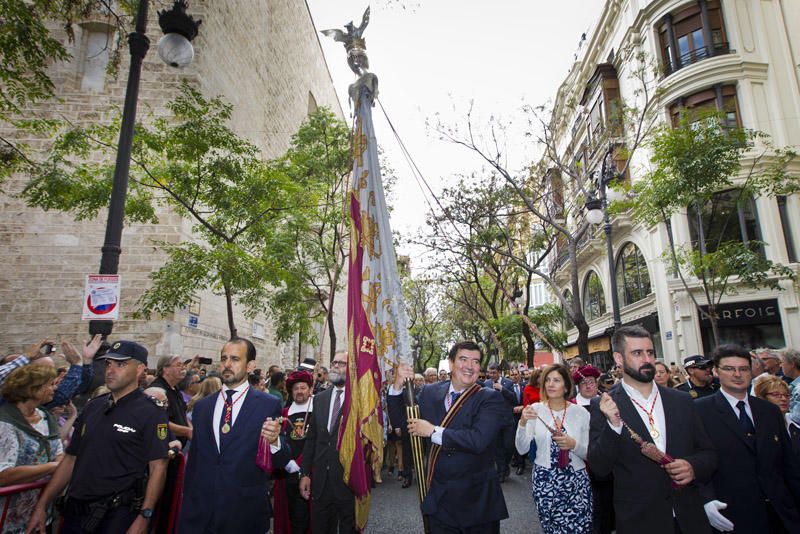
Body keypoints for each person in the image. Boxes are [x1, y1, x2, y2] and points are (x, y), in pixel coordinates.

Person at [27, 340, 169, 534]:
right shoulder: (94, 406)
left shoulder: (151, 412)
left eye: (120, 364)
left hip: (115, 517)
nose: (110, 370)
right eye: (108, 363)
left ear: (140, 369)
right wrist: (42, 505)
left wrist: (144, 518)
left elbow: (158, 467)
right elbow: (71, 459)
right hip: (75, 513)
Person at [588, 326, 716, 534]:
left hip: (689, 519)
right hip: (639, 522)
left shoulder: (681, 400)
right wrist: (613, 425)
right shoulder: (604, 405)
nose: (647, 359)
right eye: (637, 353)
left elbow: (709, 454)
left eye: (650, 352)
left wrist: (693, 466)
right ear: (619, 358)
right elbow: (599, 469)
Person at [396, 340, 509, 533]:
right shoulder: (430, 392)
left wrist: (432, 431)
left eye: (475, 361)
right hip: (440, 500)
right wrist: (397, 387)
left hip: (477, 503)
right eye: (463, 359)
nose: (469, 366)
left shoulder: (490, 397)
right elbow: (403, 423)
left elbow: (478, 440)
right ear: (450, 363)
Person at [179, 337, 289, 533]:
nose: (227, 364)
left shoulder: (267, 404)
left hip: (244, 514)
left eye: (235, 359)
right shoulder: (203, 407)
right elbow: (195, 462)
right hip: (201, 515)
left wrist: (274, 442)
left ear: (250, 365)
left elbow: (281, 460)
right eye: (224, 358)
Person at [696, 344, 800, 534]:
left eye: (743, 369)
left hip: (780, 515)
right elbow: (695, 462)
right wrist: (706, 500)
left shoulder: (769, 411)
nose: (737, 374)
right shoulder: (699, 411)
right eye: (729, 369)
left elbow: (788, 464)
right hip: (732, 516)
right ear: (716, 372)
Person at [515, 364, 592, 533]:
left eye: (556, 380)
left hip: (576, 481)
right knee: (551, 529)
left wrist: (574, 445)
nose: (550, 384)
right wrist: (522, 422)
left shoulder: (581, 413)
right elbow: (521, 449)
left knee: (580, 528)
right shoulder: (535, 410)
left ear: (566, 386)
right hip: (545, 481)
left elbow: (589, 454)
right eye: (547, 380)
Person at [299, 350, 357, 533]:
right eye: (334, 362)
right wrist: (305, 473)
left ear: (352, 369)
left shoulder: (360, 400)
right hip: (321, 481)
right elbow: (312, 439)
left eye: (342, 363)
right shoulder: (320, 399)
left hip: (348, 481)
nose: (336, 366)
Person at [0, 365, 62, 533]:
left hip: (39, 514)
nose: (54, 388)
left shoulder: (45, 417)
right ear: (33, 388)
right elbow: (3, 475)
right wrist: (52, 467)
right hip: (7, 519)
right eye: (49, 384)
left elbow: (59, 454)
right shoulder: (5, 422)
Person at [273, 370, 314, 534]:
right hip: (287, 471)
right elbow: (278, 440)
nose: (299, 391)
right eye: (296, 388)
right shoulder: (284, 413)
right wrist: (287, 462)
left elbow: (317, 441)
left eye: (303, 388)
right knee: (291, 513)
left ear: (310, 389)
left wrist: (300, 463)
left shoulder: (318, 411)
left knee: (307, 516)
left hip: (310, 471)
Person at [151, 355, 192, 446]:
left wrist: (191, 429)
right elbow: (159, 422)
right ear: (166, 369)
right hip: (165, 446)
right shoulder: (157, 390)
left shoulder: (175, 388)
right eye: (178, 365)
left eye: (183, 365)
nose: (183, 368)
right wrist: (187, 431)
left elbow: (183, 414)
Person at [755, 375, 800, 457]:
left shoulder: (795, 427)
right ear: (761, 398)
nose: (783, 399)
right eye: (776, 394)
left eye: (786, 395)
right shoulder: (756, 427)